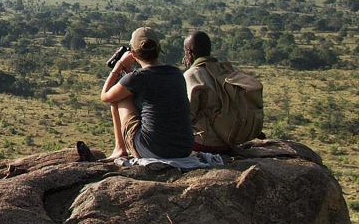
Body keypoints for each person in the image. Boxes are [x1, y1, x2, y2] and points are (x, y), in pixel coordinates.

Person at [101, 27, 194, 160]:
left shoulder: (137, 78)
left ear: (132, 54)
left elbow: (105, 96)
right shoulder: (177, 73)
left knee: (117, 99)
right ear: (159, 49)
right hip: (184, 149)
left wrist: (119, 66)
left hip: (153, 150)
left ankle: (120, 149)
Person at [182, 30, 264, 153]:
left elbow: (188, 114)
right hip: (230, 138)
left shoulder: (192, 74)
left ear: (189, 52)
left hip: (205, 142)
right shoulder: (226, 69)